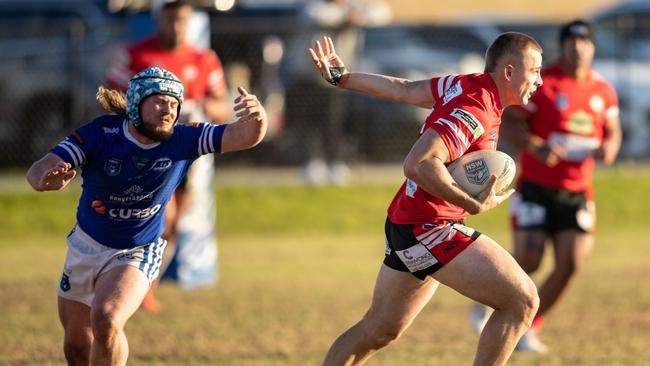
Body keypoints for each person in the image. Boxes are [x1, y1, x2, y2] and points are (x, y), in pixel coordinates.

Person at [309, 31, 543, 365]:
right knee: (522, 301)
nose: (539, 80)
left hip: (410, 222)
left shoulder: (467, 84)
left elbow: (405, 89)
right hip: (429, 227)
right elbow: (418, 164)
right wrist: (471, 202)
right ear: (508, 71)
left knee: (379, 330)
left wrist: (342, 78)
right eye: (534, 71)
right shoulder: (476, 108)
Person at [26, 66, 267, 366]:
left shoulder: (184, 138)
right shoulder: (101, 134)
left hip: (138, 250)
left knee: (106, 319)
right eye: (160, 101)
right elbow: (40, 168)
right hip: (86, 246)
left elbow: (242, 136)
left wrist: (258, 118)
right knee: (76, 346)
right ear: (137, 103)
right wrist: (44, 179)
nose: (169, 110)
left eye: (174, 103)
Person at [472, 19, 621, 353]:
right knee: (530, 258)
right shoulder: (545, 82)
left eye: (585, 42)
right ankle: (485, 299)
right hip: (537, 186)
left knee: (571, 264)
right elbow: (511, 124)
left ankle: (530, 327)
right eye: (571, 42)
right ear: (563, 46)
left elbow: (613, 130)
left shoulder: (602, 90)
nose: (578, 48)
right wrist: (537, 146)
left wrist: (610, 146)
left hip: (578, 190)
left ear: (592, 48)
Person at [106, 0, 230, 310]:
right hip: (147, 154)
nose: (177, 27)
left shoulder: (204, 59)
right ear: (160, 19)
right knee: (162, 216)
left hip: (189, 156)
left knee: (174, 223)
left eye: (183, 20)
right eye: (171, 19)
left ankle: (147, 285)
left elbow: (222, 106)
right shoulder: (138, 55)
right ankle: (122, 279)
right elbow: (110, 99)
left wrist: (197, 107)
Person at [284, 0, 390, 185]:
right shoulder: (315, 5)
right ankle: (312, 163)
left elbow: (382, 13)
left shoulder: (354, 5)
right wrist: (348, 16)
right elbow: (318, 15)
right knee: (310, 122)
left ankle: (335, 163)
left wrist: (357, 14)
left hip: (338, 75)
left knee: (334, 122)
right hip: (308, 74)